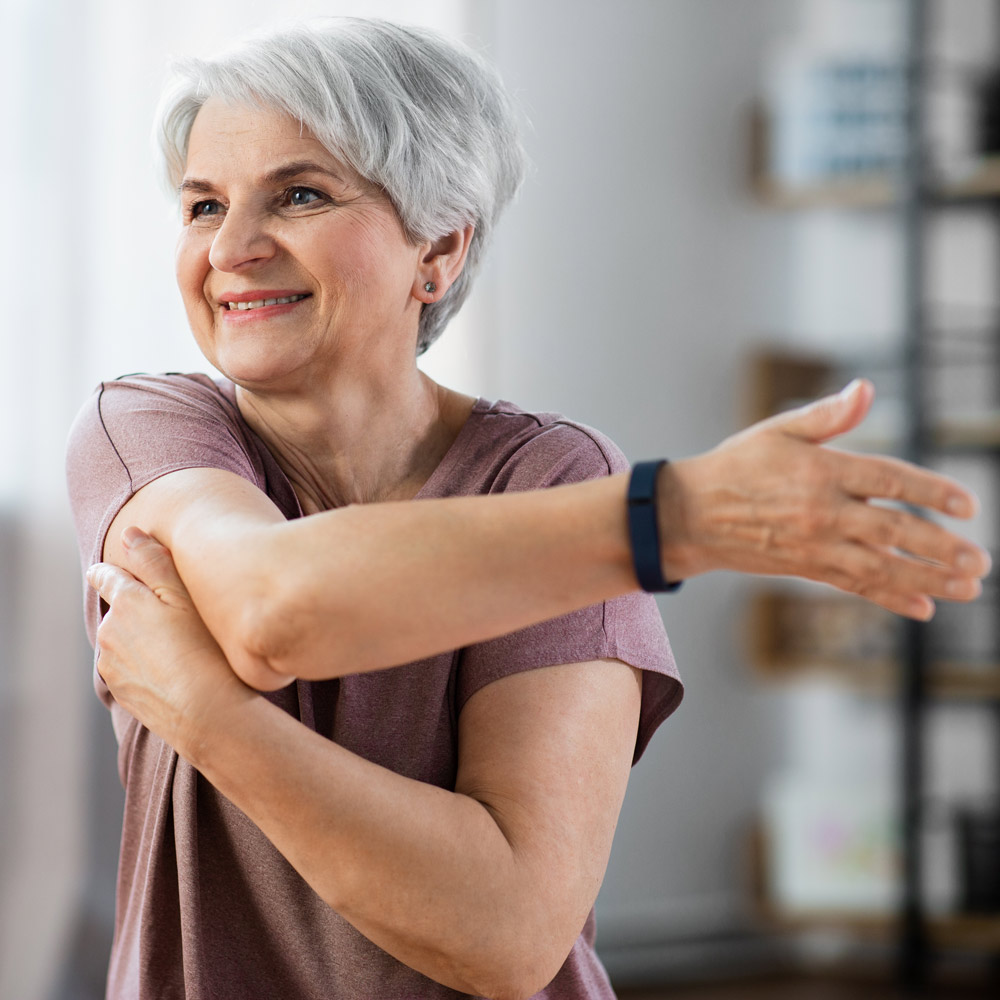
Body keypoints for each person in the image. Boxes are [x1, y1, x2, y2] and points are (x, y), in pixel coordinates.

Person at [66, 17, 989, 1000]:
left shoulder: (548, 476)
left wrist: (208, 714)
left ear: (440, 249)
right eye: (203, 205)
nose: (234, 248)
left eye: (298, 194)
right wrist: (669, 519)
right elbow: (273, 611)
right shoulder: (148, 426)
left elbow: (504, 933)